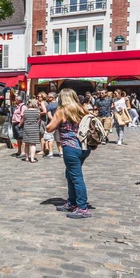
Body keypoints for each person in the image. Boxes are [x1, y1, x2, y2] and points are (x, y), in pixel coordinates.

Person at [45, 88, 93, 219]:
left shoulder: (62, 110)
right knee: (70, 174)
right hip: (84, 147)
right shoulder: (82, 109)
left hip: (71, 147)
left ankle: (82, 207)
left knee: (76, 177)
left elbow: (50, 128)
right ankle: (72, 202)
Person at [21, 99, 42, 163]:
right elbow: (38, 119)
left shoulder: (26, 111)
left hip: (27, 128)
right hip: (34, 128)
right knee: (33, 144)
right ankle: (32, 158)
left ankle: (27, 158)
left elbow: (23, 119)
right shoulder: (37, 111)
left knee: (27, 143)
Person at [43, 92, 60, 157]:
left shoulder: (49, 106)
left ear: (52, 98)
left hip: (51, 124)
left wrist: (54, 122)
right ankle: (61, 152)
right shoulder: (60, 105)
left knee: (50, 139)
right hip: (59, 124)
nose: (47, 98)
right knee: (58, 140)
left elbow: (49, 116)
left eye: (48, 97)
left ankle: (51, 153)